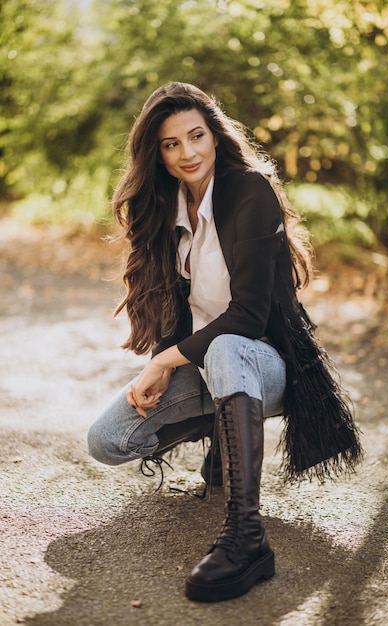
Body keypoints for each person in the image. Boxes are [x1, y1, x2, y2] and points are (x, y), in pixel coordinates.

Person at [87, 82, 362, 603]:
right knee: (107, 441)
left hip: (267, 365)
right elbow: (176, 314)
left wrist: (164, 363)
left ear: (215, 135)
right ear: (157, 153)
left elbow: (249, 314)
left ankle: (246, 536)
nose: (187, 152)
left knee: (227, 345)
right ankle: (223, 429)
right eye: (171, 144)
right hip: (209, 366)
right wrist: (163, 363)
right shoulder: (162, 208)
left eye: (196, 136)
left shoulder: (249, 192)